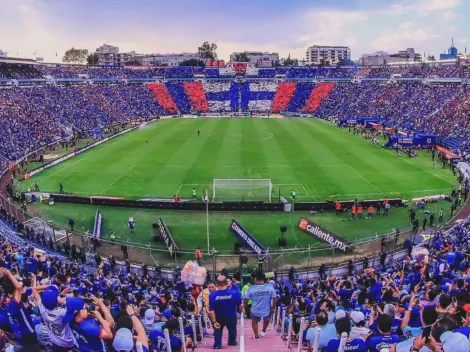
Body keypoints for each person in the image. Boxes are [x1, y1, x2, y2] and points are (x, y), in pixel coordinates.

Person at [31, 282, 76, 352]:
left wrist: (54, 290)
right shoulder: (62, 312)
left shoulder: (42, 308)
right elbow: (72, 308)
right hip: (67, 343)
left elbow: (34, 289)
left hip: (55, 341)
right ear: (57, 301)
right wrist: (63, 302)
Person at [0, 267, 37, 347]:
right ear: (10, 294)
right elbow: (19, 287)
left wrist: (6, 277)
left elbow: (17, 286)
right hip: (28, 331)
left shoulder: (4, 300)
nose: (19, 291)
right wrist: (9, 274)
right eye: (15, 291)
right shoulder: (14, 304)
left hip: (18, 332)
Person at [209, 275, 242, 349]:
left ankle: (217, 344)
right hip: (231, 316)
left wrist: (214, 322)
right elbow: (240, 305)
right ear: (226, 283)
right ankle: (232, 342)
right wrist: (241, 312)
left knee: (217, 330)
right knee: (232, 330)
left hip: (218, 317)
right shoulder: (234, 293)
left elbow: (211, 311)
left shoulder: (212, 295)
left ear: (216, 284)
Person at [244, 271, 277, 340]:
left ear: (255, 279)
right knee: (267, 320)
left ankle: (256, 336)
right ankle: (264, 330)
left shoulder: (251, 288)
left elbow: (246, 300)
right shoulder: (270, 287)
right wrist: (273, 307)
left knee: (254, 321)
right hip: (267, 309)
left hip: (255, 310)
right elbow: (275, 298)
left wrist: (245, 307)